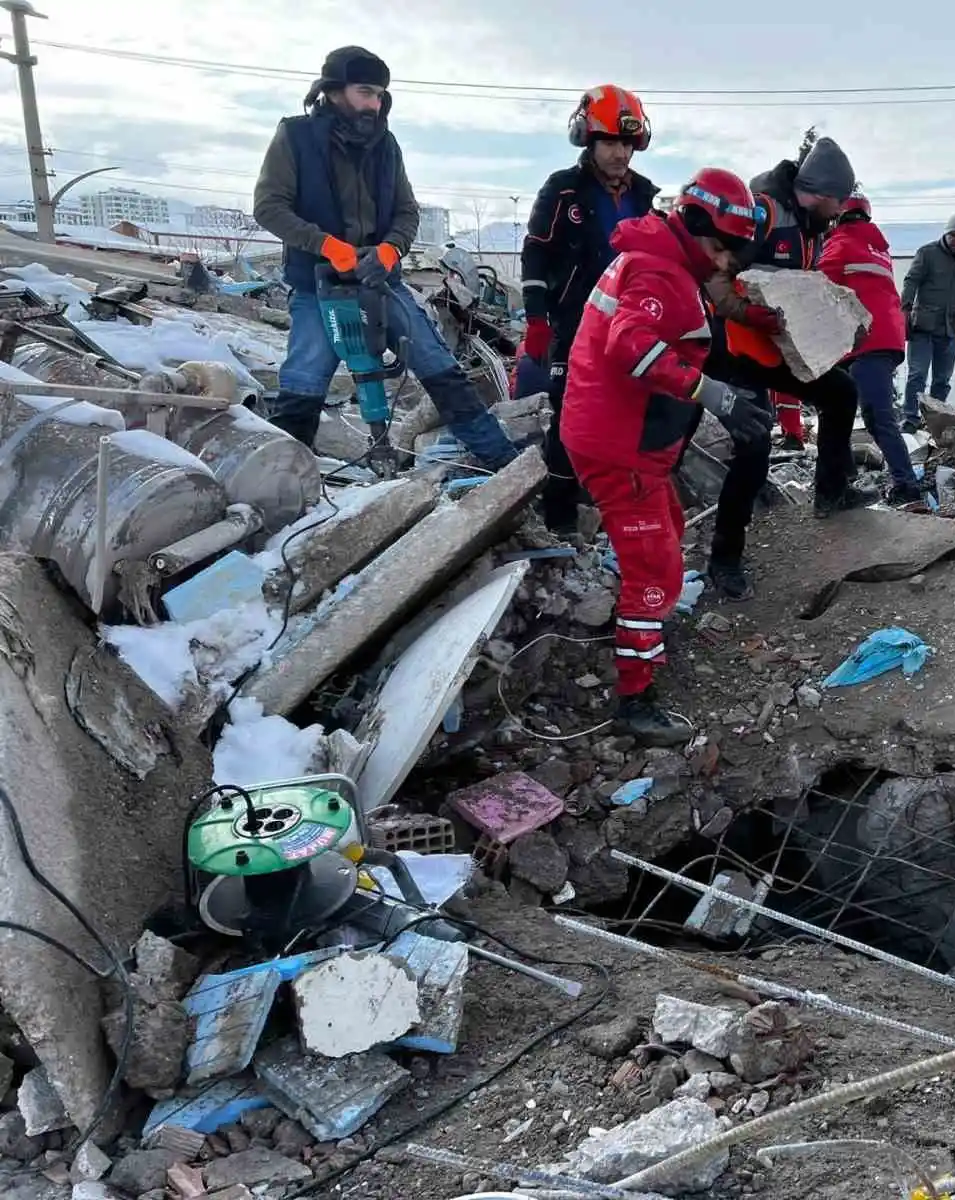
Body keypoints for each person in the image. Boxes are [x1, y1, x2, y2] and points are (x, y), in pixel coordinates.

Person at [561, 168, 774, 746]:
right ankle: (635, 696)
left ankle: (645, 634)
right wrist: (713, 394)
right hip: (619, 443)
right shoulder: (658, 270)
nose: (727, 263)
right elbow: (629, 344)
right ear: (701, 230)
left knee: (669, 529)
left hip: (624, 437)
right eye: (724, 249)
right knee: (654, 566)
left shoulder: (660, 258)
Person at [253, 47, 517, 467]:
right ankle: (283, 486)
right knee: (303, 382)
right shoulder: (295, 137)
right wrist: (326, 245)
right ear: (334, 91)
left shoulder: (386, 145)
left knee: (439, 366)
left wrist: (391, 248)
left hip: (380, 281)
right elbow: (269, 207)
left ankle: (501, 460)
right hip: (317, 285)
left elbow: (406, 211)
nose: (374, 104)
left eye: (379, 95)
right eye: (365, 92)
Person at [687, 135, 872, 600]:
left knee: (840, 393)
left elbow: (803, 287)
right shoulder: (764, 212)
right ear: (823, 193)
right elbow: (715, 273)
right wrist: (747, 312)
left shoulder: (812, 225)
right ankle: (725, 559)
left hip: (777, 348)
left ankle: (831, 493)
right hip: (736, 349)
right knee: (754, 444)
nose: (838, 212)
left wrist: (839, 323)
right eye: (837, 203)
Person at [519, 85, 659, 532]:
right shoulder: (563, 192)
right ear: (589, 140)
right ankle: (558, 513)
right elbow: (535, 254)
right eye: (611, 142)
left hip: (629, 328)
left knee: (626, 412)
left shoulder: (645, 197)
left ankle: (614, 501)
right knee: (568, 415)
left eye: (627, 144)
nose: (620, 154)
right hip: (574, 323)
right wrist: (537, 319)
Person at [817, 193, 921, 504]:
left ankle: (906, 484)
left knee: (875, 417)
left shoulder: (841, 241)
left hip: (865, 340)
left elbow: (819, 283)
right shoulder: (879, 248)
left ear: (840, 217)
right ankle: (845, 478)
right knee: (850, 410)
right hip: (885, 338)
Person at [899, 213, 955, 431]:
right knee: (917, 375)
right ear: (946, 233)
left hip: (950, 327)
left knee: (942, 380)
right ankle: (910, 419)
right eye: (954, 236)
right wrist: (905, 309)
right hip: (923, 326)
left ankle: (935, 422)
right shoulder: (927, 253)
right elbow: (911, 281)